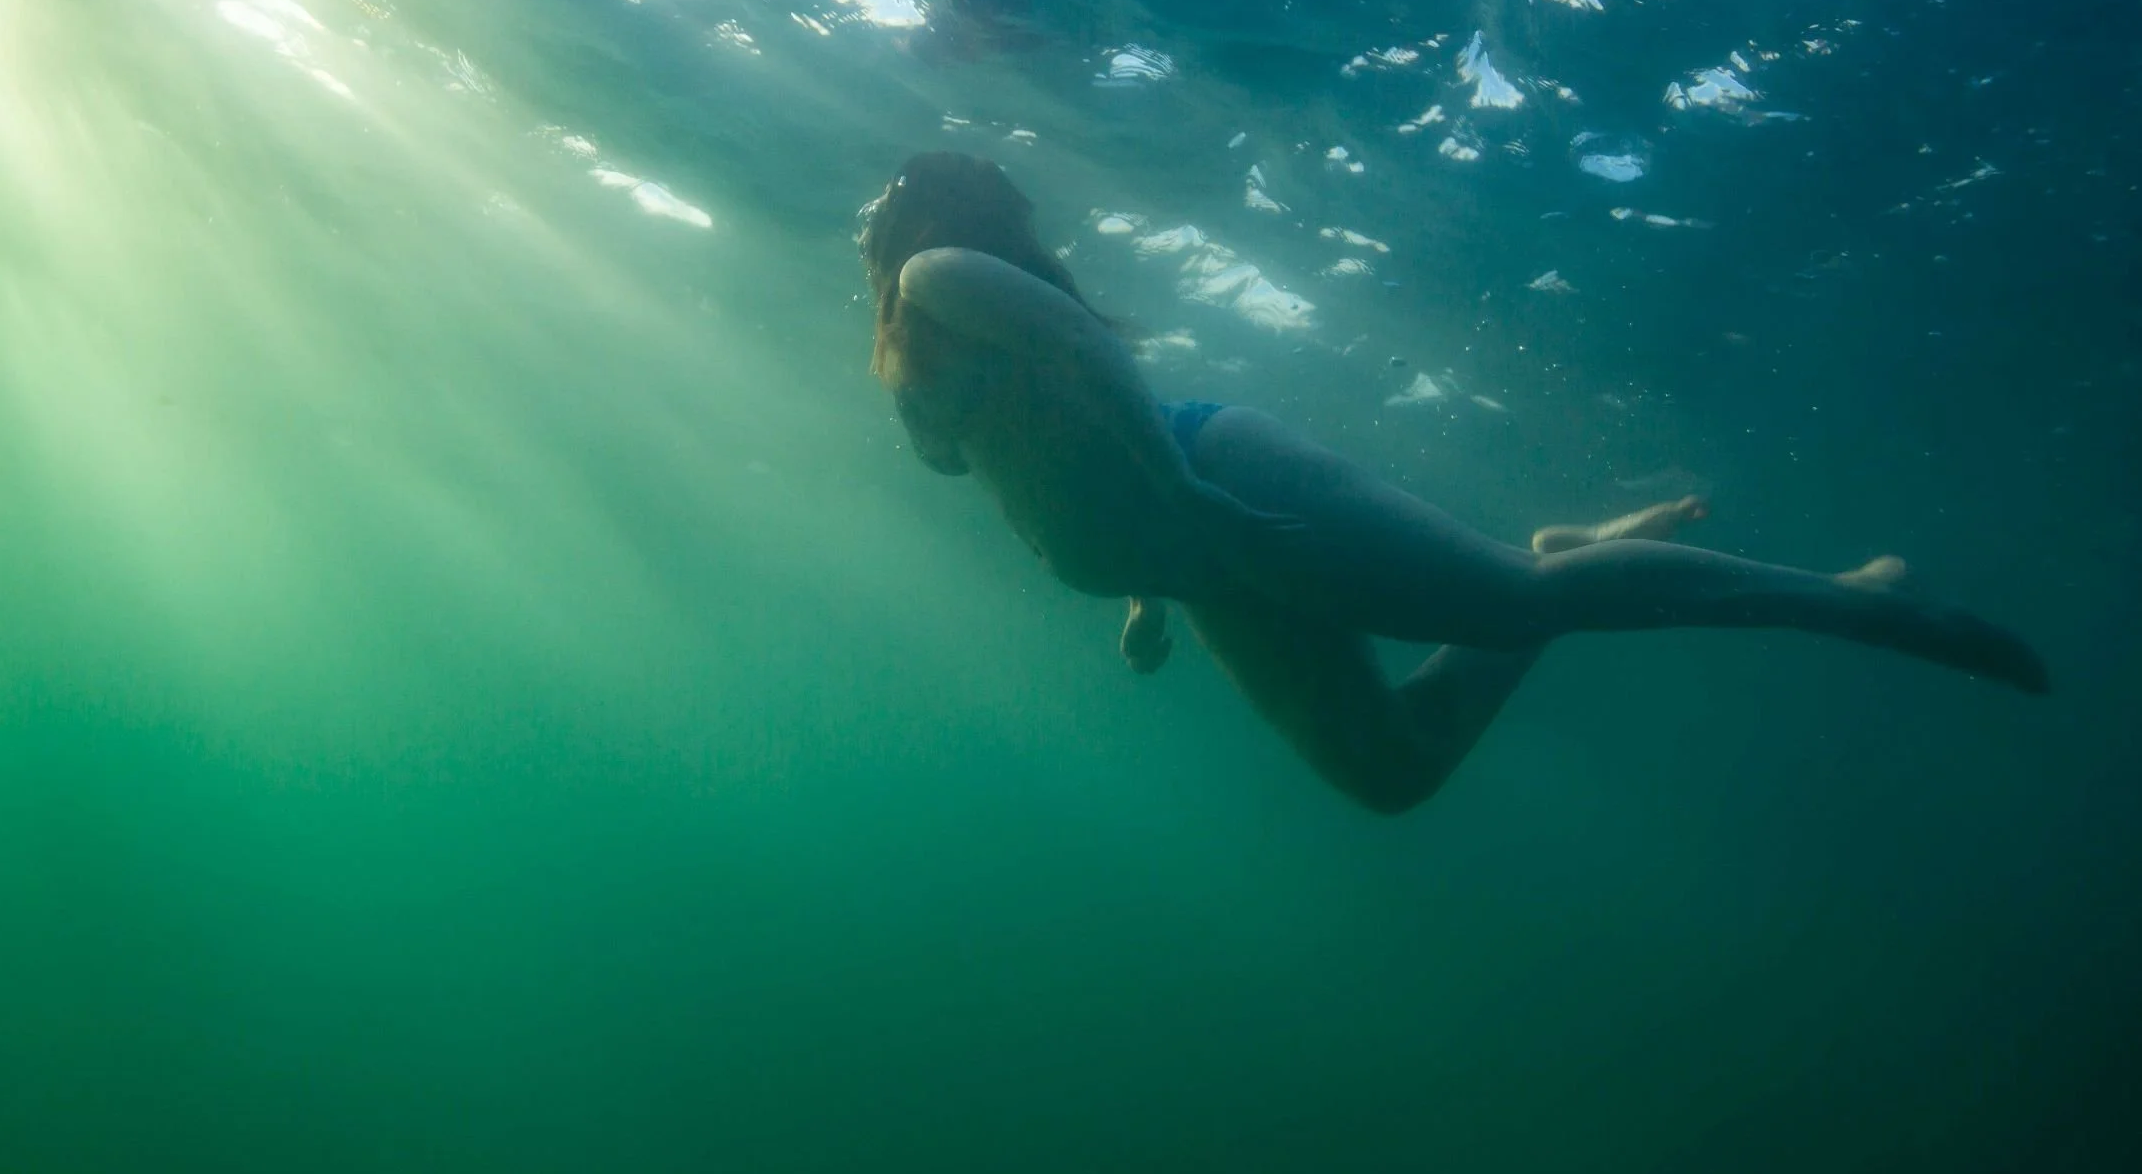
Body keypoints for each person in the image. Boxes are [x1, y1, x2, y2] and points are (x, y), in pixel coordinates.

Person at [860, 153, 2049, 814]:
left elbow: (1085, 355)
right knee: (1391, 770)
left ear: (941, 212)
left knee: (1510, 606)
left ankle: (1867, 600)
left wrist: (1176, 495)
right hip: (1192, 539)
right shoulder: (911, 350)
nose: (868, 206)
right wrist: (1147, 588)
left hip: (1216, 476)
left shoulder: (932, 271)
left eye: (889, 193)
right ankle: (1568, 555)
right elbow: (1052, 459)